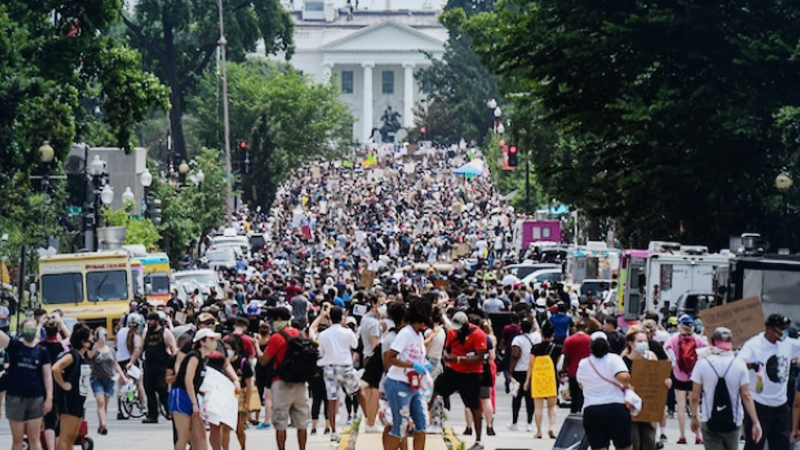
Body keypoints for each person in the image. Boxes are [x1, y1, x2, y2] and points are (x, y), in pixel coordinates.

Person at [691, 327, 762, 450]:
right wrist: (755, 422)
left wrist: (694, 417)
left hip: (709, 419)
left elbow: (694, 396)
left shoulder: (702, 363)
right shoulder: (739, 364)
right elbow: (746, 395)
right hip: (734, 421)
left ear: (713, 341)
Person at [739, 313, 800, 450]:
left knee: (781, 445)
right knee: (755, 444)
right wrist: (752, 365)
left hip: (780, 404)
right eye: (781, 329)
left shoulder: (788, 344)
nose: (784, 333)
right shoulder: (753, 345)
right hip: (759, 403)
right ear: (771, 329)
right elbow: (739, 364)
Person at [432, 311, 488, 450]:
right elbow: (447, 349)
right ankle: (421, 424)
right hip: (453, 372)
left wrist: (458, 359)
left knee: (474, 406)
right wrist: (446, 356)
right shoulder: (452, 333)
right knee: (433, 390)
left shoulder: (478, 334)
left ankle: (479, 440)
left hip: (471, 374)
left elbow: (480, 357)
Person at [383, 297, 433, 450]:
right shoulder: (405, 333)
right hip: (398, 383)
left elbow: (417, 356)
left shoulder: (418, 335)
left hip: (414, 386)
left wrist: (424, 366)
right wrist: (412, 365)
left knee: (422, 423)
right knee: (400, 425)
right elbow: (389, 358)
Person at [258, 307, 310, 450]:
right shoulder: (301, 334)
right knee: (302, 422)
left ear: (279, 319)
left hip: (281, 383)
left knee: (281, 422)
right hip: (300, 383)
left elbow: (264, 360)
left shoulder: (277, 337)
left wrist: (257, 347)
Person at [0, 318, 52, 450]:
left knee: (34, 438)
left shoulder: (42, 351)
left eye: (32, 328)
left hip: (36, 397)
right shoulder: (15, 346)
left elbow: (47, 375)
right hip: (15, 397)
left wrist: (49, 397)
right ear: (22, 330)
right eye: (27, 328)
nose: (30, 331)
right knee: (17, 440)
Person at [316, 306, 366, 443]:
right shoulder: (347, 332)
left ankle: (333, 431)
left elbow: (320, 351)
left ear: (330, 318)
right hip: (345, 367)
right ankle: (368, 419)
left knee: (332, 400)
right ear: (342, 317)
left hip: (330, 368)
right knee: (359, 390)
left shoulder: (323, 334)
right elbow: (355, 345)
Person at [576, 331, 632, 450]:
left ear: (590, 346)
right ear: (607, 344)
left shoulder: (584, 363)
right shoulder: (614, 359)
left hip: (591, 410)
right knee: (623, 447)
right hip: (616, 409)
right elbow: (624, 377)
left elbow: (581, 385)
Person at [621, 328, 668, 450]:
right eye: (640, 341)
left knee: (649, 441)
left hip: (648, 407)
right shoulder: (623, 362)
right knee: (634, 441)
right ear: (631, 343)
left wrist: (665, 382)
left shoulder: (650, 358)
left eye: (645, 341)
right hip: (630, 409)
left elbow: (657, 380)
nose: (644, 344)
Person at [172, 328, 219, 450]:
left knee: (200, 437)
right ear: (202, 342)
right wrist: (194, 403)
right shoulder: (194, 356)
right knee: (183, 436)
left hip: (192, 395)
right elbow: (188, 380)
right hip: (181, 394)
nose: (215, 343)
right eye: (211, 339)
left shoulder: (203, 359)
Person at [664, 314, 706, 444]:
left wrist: (674, 362)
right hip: (695, 376)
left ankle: (682, 436)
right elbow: (707, 350)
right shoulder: (698, 339)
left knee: (681, 406)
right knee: (695, 406)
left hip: (678, 375)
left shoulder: (673, 339)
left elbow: (665, 350)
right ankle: (698, 436)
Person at [52, 323, 93, 450]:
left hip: (79, 400)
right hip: (69, 400)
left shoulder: (82, 357)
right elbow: (55, 368)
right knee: (65, 436)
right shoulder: (72, 356)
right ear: (83, 341)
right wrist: (64, 384)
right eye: (90, 338)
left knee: (72, 437)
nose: (92, 341)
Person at [524, 322, 561, 439]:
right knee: (552, 405)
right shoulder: (557, 348)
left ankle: (539, 431)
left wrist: (527, 381)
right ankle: (551, 426)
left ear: (541, 334)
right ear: (553, 334)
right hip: (551, 377)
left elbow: (530, 364)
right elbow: (558, 363)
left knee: (538, 406)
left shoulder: (535, 348)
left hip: (538, 377)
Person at [88, 327, 127, 434]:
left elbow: (116, 364)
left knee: (105, 404)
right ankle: (104, 425)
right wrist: (96, 348)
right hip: (97, 378)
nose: (103, 338)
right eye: (100, 336)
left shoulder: (111, 350)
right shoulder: (95, 350)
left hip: (109, 379)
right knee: (100, 402)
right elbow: (90, 356)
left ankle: (101, 424)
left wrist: (123, 377)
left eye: (105, 335)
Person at [142, 312, 178, 423]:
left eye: (151, 320)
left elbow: (173, 348)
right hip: (149, 366)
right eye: (148, 320)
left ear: (157, 321)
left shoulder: (165, 332)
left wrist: (173, 364)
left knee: (162, 389)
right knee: (149, 391)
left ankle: (170, 412)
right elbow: (140, 347)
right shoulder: (146, 332)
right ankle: (152, 415)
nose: (149, 322)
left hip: (162, 366)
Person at [508, 319, 540, 431]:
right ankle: (529, 423)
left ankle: (515, 422)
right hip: (531, 370)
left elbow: (515, 355)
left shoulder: (517, 339)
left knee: (516, 397)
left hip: (518, 371)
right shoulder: (536, 338)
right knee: (529, 398)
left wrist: (510, 372)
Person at [222, 334, 253, 450]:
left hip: (240, 397)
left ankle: (243, 447)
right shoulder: (222, 363)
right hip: (225, 396)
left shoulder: (243, 363)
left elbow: (249, 386)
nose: (226, 351)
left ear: (235, 349)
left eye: (228, 348)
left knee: (239, 429)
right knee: (224, 428)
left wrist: (247, 403)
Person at [359, 295, 383, 432]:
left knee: (368, 391)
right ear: (373, 304)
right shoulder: (374, 323)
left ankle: (370, 421)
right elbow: (376, 344)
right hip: (373, 357)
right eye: (380, 303)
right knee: (374, 391)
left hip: (366, 355)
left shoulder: (365, 319)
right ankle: (372, 422)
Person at [116, 312, 146, 420]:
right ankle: (143, 406)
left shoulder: (120, 332)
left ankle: (120, 410)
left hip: (120, 361)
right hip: (130, 361)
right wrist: (132, 362)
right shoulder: (136, 335)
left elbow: (116, 346)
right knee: (138, 384)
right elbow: (137, 350)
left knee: (122, 385)